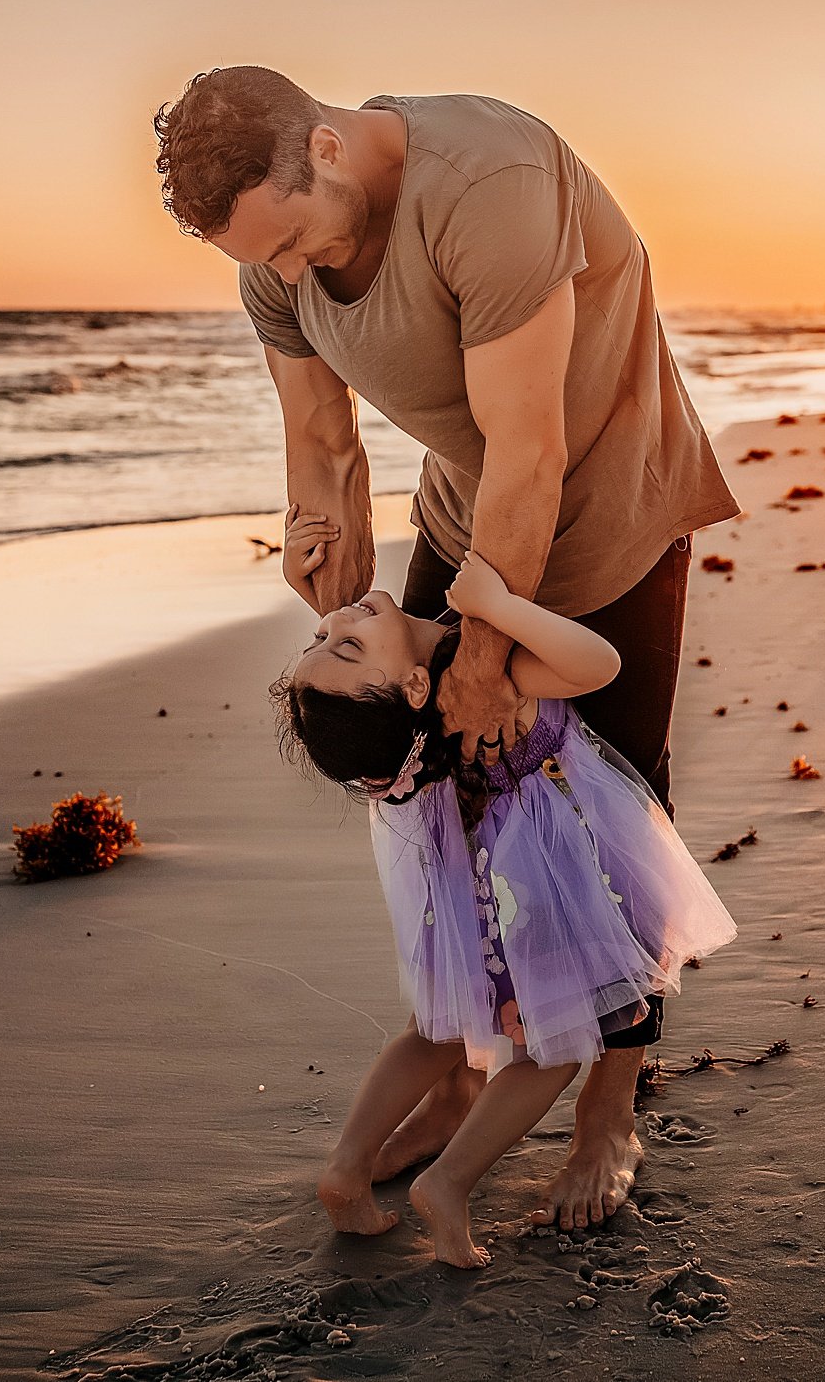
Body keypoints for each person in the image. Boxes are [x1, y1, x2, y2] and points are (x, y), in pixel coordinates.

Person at [154, 65, 741, 1227]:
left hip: (609, 505)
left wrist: (482, 657)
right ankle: (474, 1059)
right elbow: (318, 441)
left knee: (610, 812)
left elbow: (533, 449)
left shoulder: (488, 183)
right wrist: (314, 545)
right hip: (470, 514)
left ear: (323, 147)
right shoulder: (274, 255)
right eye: (255, 259)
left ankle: (605, 1099)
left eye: (290, 243)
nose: (281, 274)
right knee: (448, 797)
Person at [268, 536, 736, 1267]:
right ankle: (448, 1182)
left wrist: (340, 623)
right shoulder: (483, 665)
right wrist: (498, 605)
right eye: (342, 644)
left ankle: (346, 1167)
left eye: (324, 637)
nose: (334, 620)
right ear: (416, 690)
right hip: (545, 884)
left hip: (466, 894)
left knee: (435, 1031)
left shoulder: (410, 735)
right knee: (558, 1046)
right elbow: (599, 666)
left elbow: (364, 689)